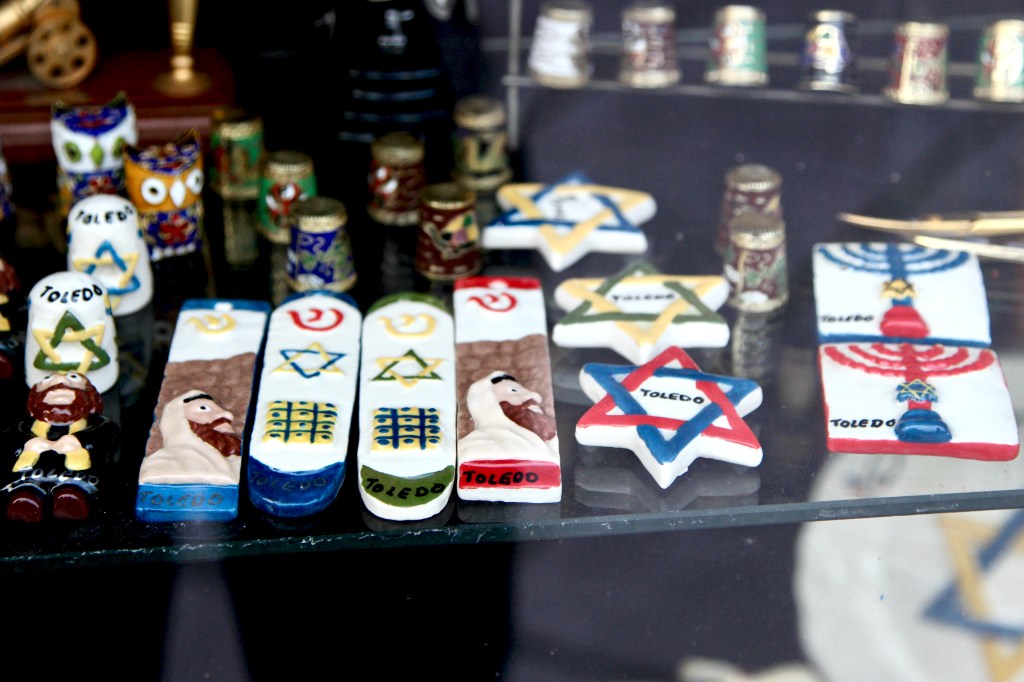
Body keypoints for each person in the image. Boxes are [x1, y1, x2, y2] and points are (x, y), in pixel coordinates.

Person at [2, 371, 119, 521]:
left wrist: (77, 442)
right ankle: (25, 501)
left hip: (77, 474)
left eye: (73, 379)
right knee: (22, 488)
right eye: (48, 380)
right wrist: (30, 444)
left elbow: (108, 435)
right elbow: (10, 438)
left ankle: (70, 500)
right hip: (30, 473)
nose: (60, 381)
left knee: (86, 486)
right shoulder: (25, 426)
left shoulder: (98, 424)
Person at [137, 389, 242, 486]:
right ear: (179, 421)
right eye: (203, 408)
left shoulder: (242, 465)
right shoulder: (162, 464)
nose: (228, 415)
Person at [457, 370, 558, 461]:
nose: (535, 396)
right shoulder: (477, 445)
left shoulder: (553, 445)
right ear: (488, 402)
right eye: (514, 390)